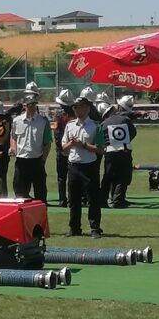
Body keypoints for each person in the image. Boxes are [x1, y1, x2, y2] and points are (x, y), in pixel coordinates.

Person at [61, 96, 103, 238]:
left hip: (89, 166)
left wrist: (82, 145)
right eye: (75, 107)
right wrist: (71, 144)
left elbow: (100, 149)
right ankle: (74, 228)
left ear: (87, 108)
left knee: (93, 199)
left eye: (79, 107)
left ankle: (95, 228)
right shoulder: (70, 125)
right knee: (73, 199)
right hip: (73, 165)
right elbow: (63, 148)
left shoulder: (95, 126)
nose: (77, 110)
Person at [10, 90, 51, 202]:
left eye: (34, 104)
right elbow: (13, 137)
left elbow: (47, 143)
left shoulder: (43, 121)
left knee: (40, 191)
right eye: (29, 105)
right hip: (21, 160)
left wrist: (43, 160)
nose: (32, 107)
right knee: (19, 190)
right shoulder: (17, 121)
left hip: (37, 160)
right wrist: (13, 148)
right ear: (25, 106)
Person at [100, 95, 137, 208]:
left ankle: (102, 199)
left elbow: (101, 137)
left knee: (108, 176)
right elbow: (133, 132)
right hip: (124, 151)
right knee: (123, 175)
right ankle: (118, 199)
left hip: (110, 152)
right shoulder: (126, 120)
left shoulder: (104, 123)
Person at [51, 90, 77, 206]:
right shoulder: (76, 114)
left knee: (62, 177)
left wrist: (61, 148)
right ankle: (72, 199)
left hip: (62, 150)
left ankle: (62, 200)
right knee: (73, 176)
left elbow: (57, 134)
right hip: (75, 149)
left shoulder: (58, 116)